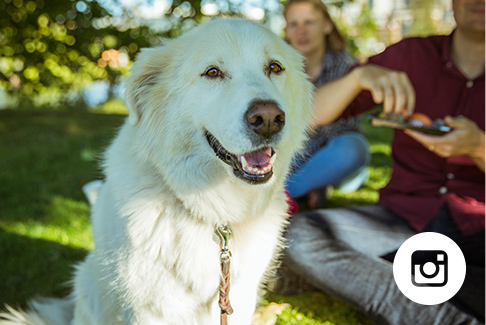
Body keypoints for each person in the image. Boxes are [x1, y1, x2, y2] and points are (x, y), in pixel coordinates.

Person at [281, 0, 485, 324]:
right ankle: (442, 314)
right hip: (401, 220)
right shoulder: (409, 57)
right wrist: (358, 77)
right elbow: (304, 117)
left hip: (479, 226)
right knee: (300, 236)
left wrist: (479, 148)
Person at [283, 0, 370, 209]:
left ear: (327, 26)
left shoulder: (347, 68)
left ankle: (286, 193)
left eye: (309, 22)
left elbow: (343, 129)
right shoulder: (277, 69)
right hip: (292, 156)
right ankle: (314, 185)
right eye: (293, 24)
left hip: (334, 157)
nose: (301, 31)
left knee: (355, 149)